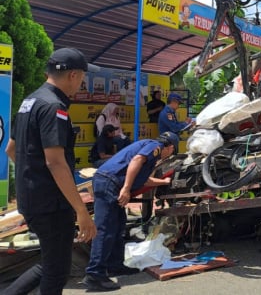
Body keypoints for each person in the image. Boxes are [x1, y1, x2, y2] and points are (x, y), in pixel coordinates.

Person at [3, 47, 99, 295]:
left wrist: (31, 180)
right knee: (56, 272)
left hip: (33, 200)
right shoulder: (54, 107)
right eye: (83, 78)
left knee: (50, 264)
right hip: (51, 206)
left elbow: (11, 150)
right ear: (73, 75)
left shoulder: (30, 102)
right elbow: (55, 162)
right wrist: (81, 211)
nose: (82, 83)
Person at [83, 131, 178, 291]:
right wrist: (126, 189)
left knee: (118, 226)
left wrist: (163, 182)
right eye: (171, 152)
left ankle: (115, 265)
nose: (168, 156)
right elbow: (136, 160)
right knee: (105, 229)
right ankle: (94, 274)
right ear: (169, 147)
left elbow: (144, 179)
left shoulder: (149, 154)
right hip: (109, 182)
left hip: (110, 182)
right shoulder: (155, 146)